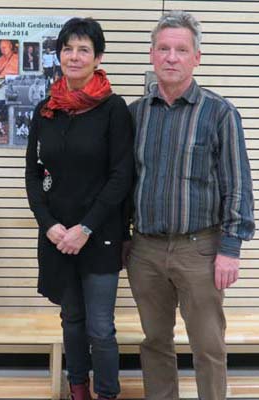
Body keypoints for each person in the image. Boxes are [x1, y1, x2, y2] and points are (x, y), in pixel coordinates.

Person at [126, 11, 255, 400]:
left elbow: (238, 186)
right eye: (163, 49)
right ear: (151, 55)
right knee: (154, 341)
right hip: (145, 249)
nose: (171, 57)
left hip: (200, 249)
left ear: (196, 57)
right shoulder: (134, 115)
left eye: (181, 50)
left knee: (208, 346)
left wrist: (230, 250)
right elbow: (123, 183)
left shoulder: (220, 113)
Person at [25, 17, 133, 400]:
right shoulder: (46, 109)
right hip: (56, 236)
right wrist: (50, 225)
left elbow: (122, 177)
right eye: (68, 48)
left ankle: (106, 393)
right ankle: (77, 390)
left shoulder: (114, 109)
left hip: (99, 234)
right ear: (58, 54)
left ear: (97, 57)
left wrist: (84, 228)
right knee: (71, 318)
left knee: (100, 326)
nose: (74, 56)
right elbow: (33, 175)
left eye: (83, 49)